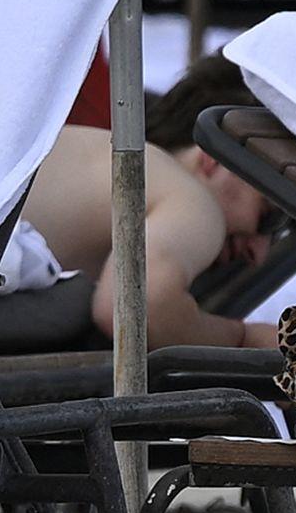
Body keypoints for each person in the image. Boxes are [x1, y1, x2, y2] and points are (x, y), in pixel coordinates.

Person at [22, 54, 280, 350]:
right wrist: (242, 339)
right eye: (267, 214)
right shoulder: (194, 202)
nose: (259, 253)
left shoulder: (106, 159)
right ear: (216, 161)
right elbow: (137, 309)